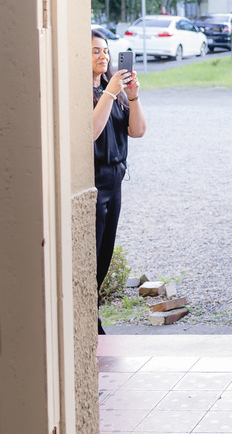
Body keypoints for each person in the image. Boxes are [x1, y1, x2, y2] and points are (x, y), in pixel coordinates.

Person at [92, 32, 147, 334]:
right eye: (95, 51)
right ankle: (92, 322)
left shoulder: (113, 90)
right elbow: (91, 132)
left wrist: (133, 95)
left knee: (104, 254)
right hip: (94, 180)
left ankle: (93, 315)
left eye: (106, 51)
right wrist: (110, 93)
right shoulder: (86, 93)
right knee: (92, 254)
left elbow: (137, 131)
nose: (104, 56)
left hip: (115, 181)